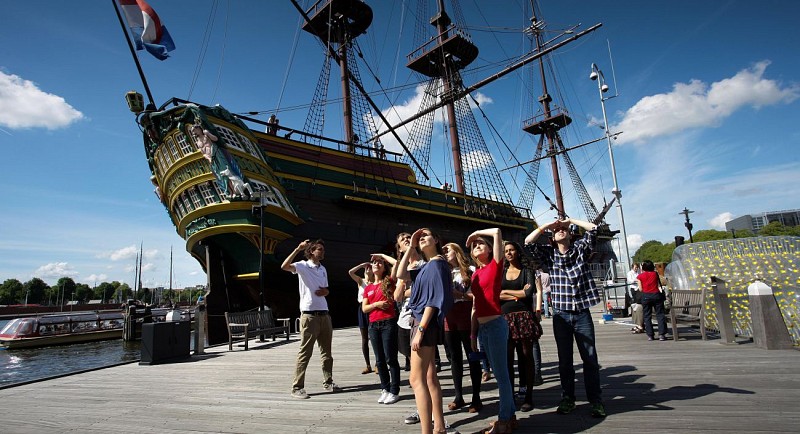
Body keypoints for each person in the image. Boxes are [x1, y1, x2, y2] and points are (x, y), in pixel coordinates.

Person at [524, 218, 606, 418]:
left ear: (570, 234)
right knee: (565, 361)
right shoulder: (550, 255)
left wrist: (569, 221)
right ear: (552, 237)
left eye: (564, 230)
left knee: (590, 359)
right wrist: (546, 227)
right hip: (561, 314)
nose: (561, 231)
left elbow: (594, 229)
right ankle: (568, 398)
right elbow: (528, 242)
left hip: (581, 313)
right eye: (557, 230)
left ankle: (595, 401)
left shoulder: (580, 250)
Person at [396, 228, 454, 434]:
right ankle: (438, 426)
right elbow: (400, 274)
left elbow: (434, 300)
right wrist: (410, 247)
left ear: (436, 239)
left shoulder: (437, 264)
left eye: (426, 235)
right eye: (418, 237)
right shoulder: (428, 266)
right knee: (429, 377)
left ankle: (426, 431)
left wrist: (420, 329)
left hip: (423, 323)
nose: (421, 239)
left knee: (416, 379)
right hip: (422, 322)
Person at [467, 228, 516, 434]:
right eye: (474, 245)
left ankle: (504, 420)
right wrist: (473, 333)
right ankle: (509, 416)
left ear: (489, 249)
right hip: (483, 328)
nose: (477, 246)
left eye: (481, 244)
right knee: (497, 373)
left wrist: (476, 232)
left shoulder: (495, 266)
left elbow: (497, 232)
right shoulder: (476, 274)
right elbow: (476, 305)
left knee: (501, 375)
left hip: (496, 325)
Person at [281, 239, 338, 399]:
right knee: (305, 352)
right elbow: (284, 266)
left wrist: (326, 293)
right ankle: (297, 387)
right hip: (309, 315)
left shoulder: (323, 269)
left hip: (324, 314)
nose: (322, 251)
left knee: (327, 352)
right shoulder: (302, 266)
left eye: (323, 249)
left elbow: (326, 289)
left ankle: (328, 381)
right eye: (319, 249)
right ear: (311, 251)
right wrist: (297, 249)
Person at [499, 241, 540, 413]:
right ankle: (510, 394)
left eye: (512, 250)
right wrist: (517, 294)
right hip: (505, 318)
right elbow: (496, 294)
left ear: (517, 252)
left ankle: (528, 394)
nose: (509, 253)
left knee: (526, 356)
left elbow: (529, 293)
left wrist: (507, 294)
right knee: (507, 359)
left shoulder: (527, 272)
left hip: (523, 317)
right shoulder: (501, 272)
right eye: (506, 251)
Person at [442, 242, 483, 414]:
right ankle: (459, 396)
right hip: (449, 316)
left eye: (447, 251)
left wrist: (459, 294)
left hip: (466, 313)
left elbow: (477, 296)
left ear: (456, 251)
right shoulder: (444, 272)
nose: (444, 254)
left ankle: (476, 397)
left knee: (472, 355)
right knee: (454, 358)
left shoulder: (471, 270)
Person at [361, 254, 401, 404]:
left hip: (388, 323)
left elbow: (396, 263)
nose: (376, 264)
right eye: (374, 263)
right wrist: (376, 305)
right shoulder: (369, 287)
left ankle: (394, 390)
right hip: (373, 325)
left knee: (391, 358)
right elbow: (364, 308)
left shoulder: (388, 281)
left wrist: (382, 256)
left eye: (380, 263)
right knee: (379, 360)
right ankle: (385, 388)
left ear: (384, 267)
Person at [348, 261, 375, 374]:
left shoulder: (375, 282)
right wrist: (362, 265)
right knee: (364, 339)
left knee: (375, 337)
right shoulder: (361, 281)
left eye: (370, 268)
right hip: (362, 309)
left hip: (372, 308)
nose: (368, 269)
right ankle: (368, 365)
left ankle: (378, 363)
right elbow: (350, 272)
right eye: (366, 269)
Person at [637, 260, 668, 341]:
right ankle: (662, 334)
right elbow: (659, 285)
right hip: (656, 296)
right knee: (660, 314)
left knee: (647, 316)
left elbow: (640, 289)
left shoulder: (640, 276)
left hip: (646, 297)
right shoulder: (655, 274)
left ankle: (650, 335)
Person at [627, 263, 644, 334]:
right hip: (634, 288)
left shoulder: (639, 273)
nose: (636, 269)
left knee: (638, 305)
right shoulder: (630, 273)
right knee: (636, 304)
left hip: (638, 288)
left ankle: (639, 324)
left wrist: (638, 280)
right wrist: (637, 280)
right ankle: (638, 324)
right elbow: (630, 281)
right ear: (632, 267)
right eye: (635, 267)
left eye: (637, 267)